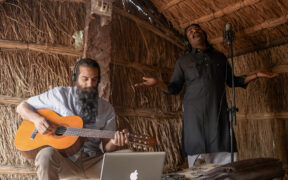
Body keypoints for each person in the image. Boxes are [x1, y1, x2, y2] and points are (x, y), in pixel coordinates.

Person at [135, 24, 279, 167]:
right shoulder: (183, 61)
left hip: (219, 116)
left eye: (197, 29)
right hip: (195, 119)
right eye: (190, 32)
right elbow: (174, 88)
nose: (194, 32)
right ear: (188, 40)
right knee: (199, 167)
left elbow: (233, 81)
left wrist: (257, 75)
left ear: (204, 34)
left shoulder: (220, 57)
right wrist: (158, 83)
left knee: (227, 166)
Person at [16, 58, 128, 180]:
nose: (90, 84)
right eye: (85, 79)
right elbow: (22, 107)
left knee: (129, 157)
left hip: (93, 160)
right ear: (75, 78)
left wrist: (114, 142)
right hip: (64, 161)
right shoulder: (58, 95)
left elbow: (107, 147)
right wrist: (37, 119)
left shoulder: (107, 109)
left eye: (94, 79)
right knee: (45, 155)